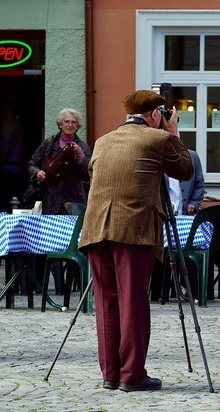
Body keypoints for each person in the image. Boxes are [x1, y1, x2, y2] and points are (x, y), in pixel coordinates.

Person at [79, 90, 193, 392]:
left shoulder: (103, 140)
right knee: (133, 304)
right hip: (133, 231)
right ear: (155, 115)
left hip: (95, 230)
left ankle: (111, 374)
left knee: (106, 303)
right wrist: (174, 133)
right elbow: (185, 170)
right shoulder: (158, 140)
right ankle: (132, 375)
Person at [27, 108, 92, 215]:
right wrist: (37, 172)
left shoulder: (83, 147)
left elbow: (86, 175)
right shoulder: (49, 143)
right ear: (60, 124)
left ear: (77, 126)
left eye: (73, 122)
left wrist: (80, 155)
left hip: (73, 200)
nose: (70, 125)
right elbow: (32, 163)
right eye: (67, 121)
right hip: (50, 199)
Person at [0, 103, 26, 212]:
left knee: (7, 200)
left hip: (9, 168)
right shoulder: (17, 124)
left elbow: (5, 148)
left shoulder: (8, 125)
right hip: (17, 167)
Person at [168, 149, 204, 215]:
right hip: (164, 217)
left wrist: (193, 203)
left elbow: (199, 184)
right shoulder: (157, 157)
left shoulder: (192, 157)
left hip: (186, 215)